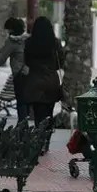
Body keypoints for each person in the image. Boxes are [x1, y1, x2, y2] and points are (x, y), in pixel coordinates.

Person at [22, 16, 64, 150]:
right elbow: (60, 63)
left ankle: (39, 143)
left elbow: (26, 61)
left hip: (34, 81)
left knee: (39, 116)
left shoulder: (29, 42)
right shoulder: (55, 43)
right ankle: (46, 142)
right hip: (51, 81)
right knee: (49, 114)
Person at [0, 17, 29, 122]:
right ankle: (29, 130)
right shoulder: (28, 39)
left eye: (8, 29)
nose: (7, 32)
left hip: (20, 75)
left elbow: (1, 58)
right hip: (31, 74)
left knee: (21, 103)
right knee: (28, 103)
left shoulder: (13, 41)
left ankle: (22, 128)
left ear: (12, 29)